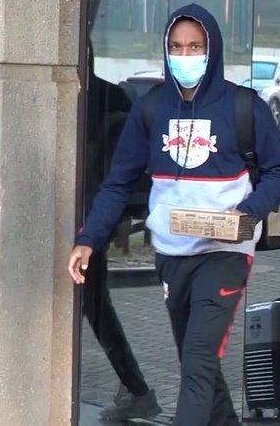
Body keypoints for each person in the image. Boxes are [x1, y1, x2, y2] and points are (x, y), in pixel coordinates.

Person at [68, 3, 280, 426]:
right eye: (176, 46)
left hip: (225, 254)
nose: (185, 55)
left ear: (212, 49)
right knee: (201, 367)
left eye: (195, 46)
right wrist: (88, 239)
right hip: (173, 254)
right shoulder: (152, 108)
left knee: (196, 365)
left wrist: (248, 211)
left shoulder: (245, 107)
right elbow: (118, 181)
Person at [81, 60, 161, 422]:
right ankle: (135, 388)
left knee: (95, 306)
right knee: (95, 306)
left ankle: (137, 389)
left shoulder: (102, 98)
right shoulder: (113, 95)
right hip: (95, 215)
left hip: (88, 216)